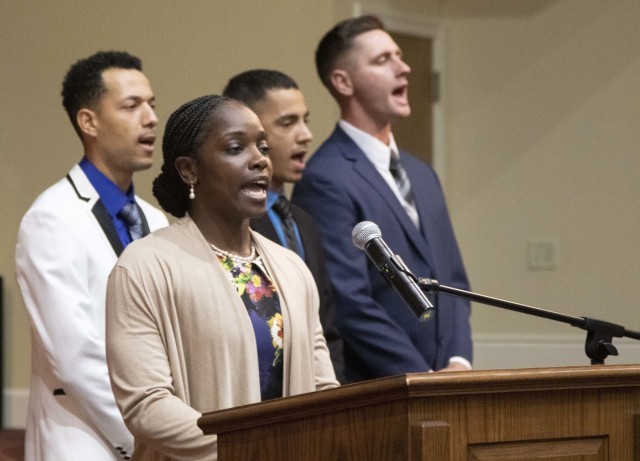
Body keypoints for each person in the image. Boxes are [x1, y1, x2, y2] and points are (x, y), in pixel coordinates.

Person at [105, 95, 339, 460]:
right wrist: (251, 451)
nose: (260, 159)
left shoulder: (291, 268)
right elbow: (147, 405)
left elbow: (323, 387)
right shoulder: (144, 266)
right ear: (189, 170)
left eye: (262, 147)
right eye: (235, 148)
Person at [292, 15, 473, 383]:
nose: (403, 68)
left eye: (400, 56)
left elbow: (453, 280)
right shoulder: (325, 177)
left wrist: (458, 361)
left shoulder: (422, 173)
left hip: (448, 381)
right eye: (382, 60)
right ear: (343, 82)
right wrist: (421, 376)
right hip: (383, 388)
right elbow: (349, 301)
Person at [15, 51, 168, 460]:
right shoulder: (51, 218)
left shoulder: (156, 220)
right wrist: (148, 439)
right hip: (85, 441)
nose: (151, 118)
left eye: (152, 104)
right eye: (132, 106)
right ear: (89, 122)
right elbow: (74, 357)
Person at [222, 69, 345, 382]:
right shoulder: (232, 225)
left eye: (305, 120)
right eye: (288, 123)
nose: (305, 135)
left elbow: (328, 329)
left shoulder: (303, 221)